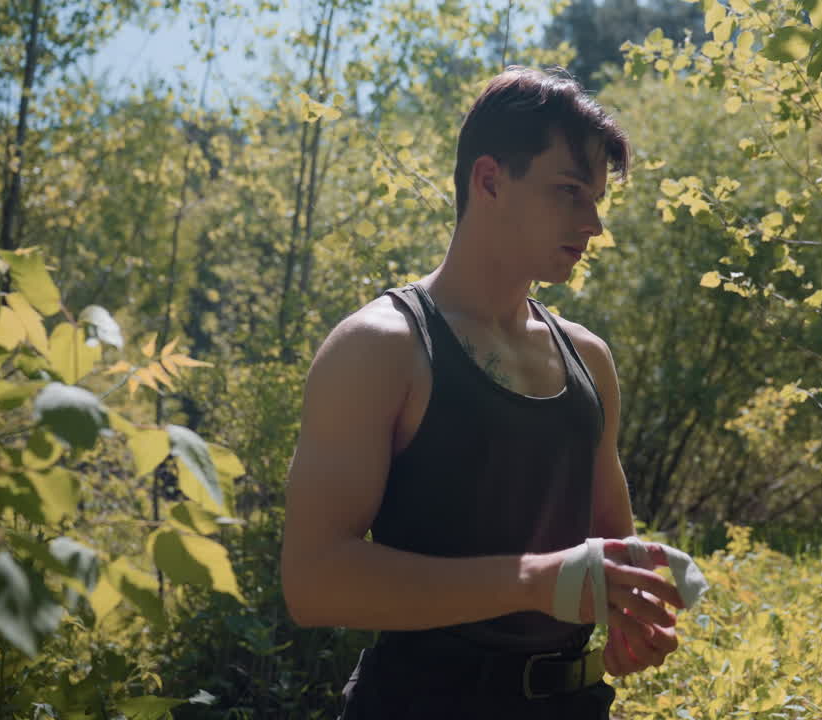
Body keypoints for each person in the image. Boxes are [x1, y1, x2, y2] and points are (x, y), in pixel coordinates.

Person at [280, 66, 687, 719]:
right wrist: (533, 582)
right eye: (569, 191)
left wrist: (636, 619)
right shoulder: (380, 348)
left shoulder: (589, 358)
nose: (594, 224)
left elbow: (613, 551)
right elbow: (313, 582)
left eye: (597, 198)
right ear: (491, 179)